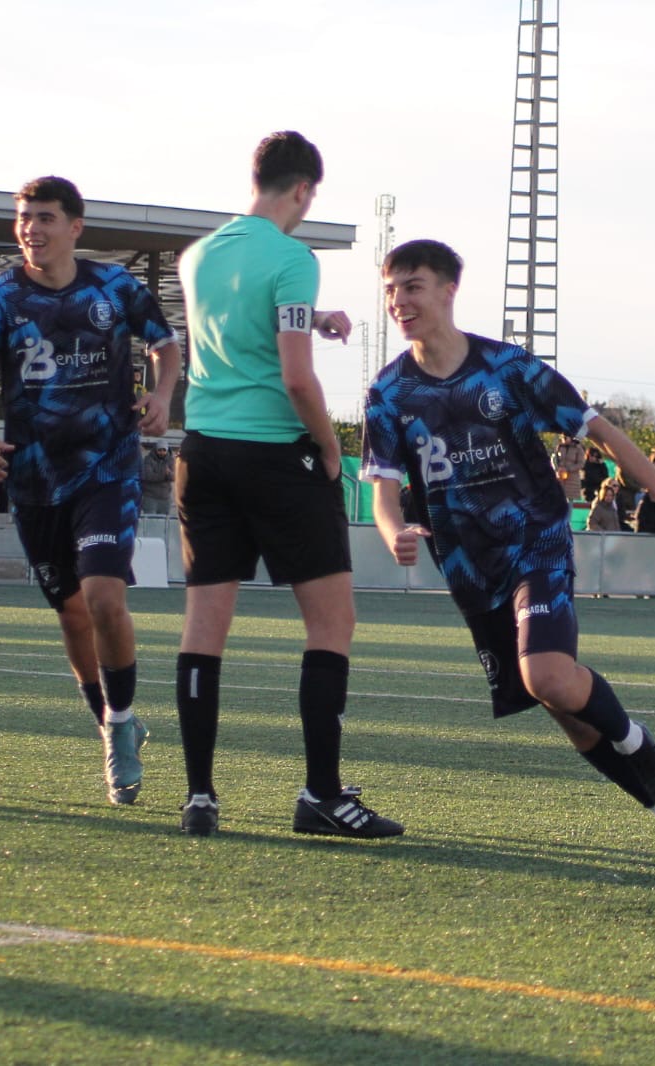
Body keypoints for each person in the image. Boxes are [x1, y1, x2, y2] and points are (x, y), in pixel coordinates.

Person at [365, 238, 655, 878]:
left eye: (412, 286)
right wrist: (393, 532)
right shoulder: (388, 393)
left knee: (547, 677)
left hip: (537, 544)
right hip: (469, 569)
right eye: (390, 290)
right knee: (566, 712)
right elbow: (384, 493)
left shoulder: (509, 368)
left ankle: (644, 751)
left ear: (448, 289)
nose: (398, 301)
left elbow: (602, 434)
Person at [174, 131, 401, 839]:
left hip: (203, 452)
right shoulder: (294, 258)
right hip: (276, 456)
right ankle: (321, 795)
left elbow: (238, 330)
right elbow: (297, 377)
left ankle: (200, 796)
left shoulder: (197, 255)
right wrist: (331, 448)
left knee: (204, 627)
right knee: (331, 623)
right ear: (304, 189)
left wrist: (319, 316)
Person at [0, 175, 181, 806]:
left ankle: (122, 724)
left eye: (46, 217)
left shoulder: (115, 286)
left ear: (75, 227)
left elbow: (165, 345)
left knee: (104, 597)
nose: (32, 229)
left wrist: (162, 396)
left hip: (108, 467)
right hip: (34, 477)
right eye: (25, 217)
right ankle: (106, 718)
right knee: (72, 613)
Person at [140, 440, 173, 516]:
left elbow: (175, 477)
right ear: (156, 450)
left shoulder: (171, 460)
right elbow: (148, 476)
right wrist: (164, 474)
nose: (162, 452)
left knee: (164, 522)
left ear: (167, 450)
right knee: (150, 521)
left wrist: (169, 474)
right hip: (150, 498)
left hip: (165, 499)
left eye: (164, 450)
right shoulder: (148, 459)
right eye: (160, 450)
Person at [552, 433, 584, 502]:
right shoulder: (559, 447)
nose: (564, 438)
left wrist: (568, 469)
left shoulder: (578, 448)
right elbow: (554, 459)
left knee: (570, 500)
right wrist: (557, 468)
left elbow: (581, 463)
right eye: (563, 437)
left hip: (572, 478)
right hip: (560, 476)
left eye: (566, 437)